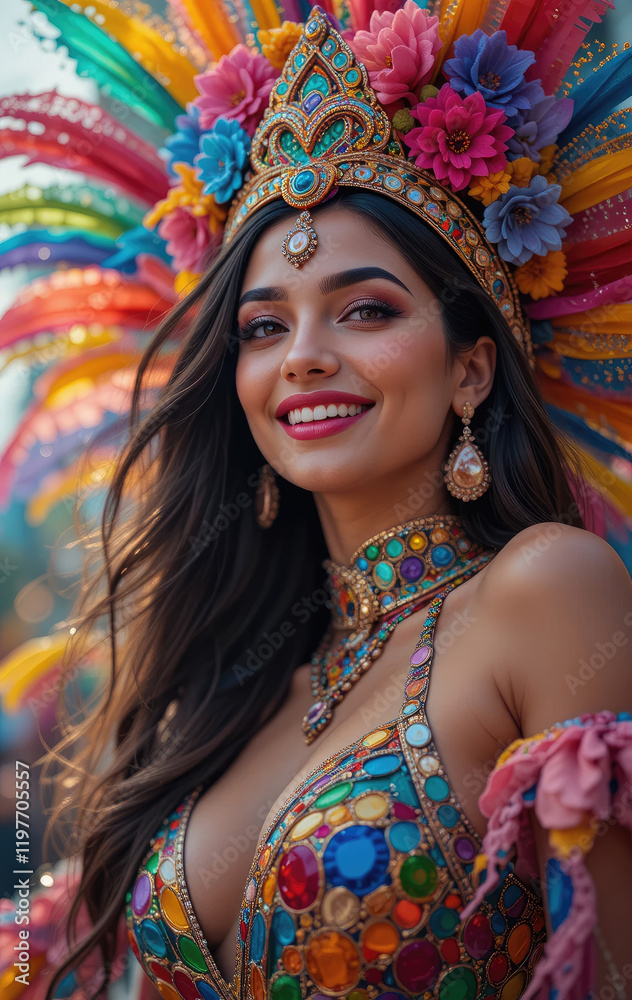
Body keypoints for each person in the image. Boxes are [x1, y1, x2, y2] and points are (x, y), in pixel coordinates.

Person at [1, 3, 631, 1000]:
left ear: (471, 370)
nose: (302, 357)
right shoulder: (234, 681)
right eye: (261, 327)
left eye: (366, 309)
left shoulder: (542, 593)